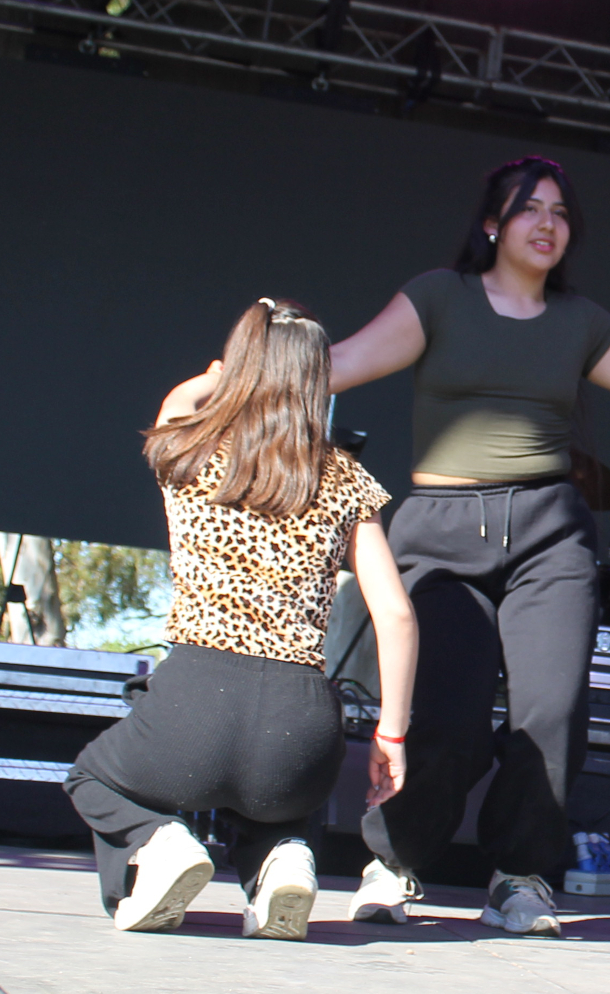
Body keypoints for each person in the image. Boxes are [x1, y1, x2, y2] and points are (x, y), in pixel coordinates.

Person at [327, 157, 610, 936]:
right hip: (441, 531)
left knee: (552, 713)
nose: (547, 224)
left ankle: (520, 874)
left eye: (560, 212)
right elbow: (341, 362)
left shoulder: (579, 321)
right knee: (449, 718)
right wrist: (241, 373)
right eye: (529, 209)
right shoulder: (438, 297)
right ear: (492, 224)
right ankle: (396, 860)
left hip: (549, 530)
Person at [63, 298, 418, 941]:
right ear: (319, 380)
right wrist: (390, 735)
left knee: (93, 775)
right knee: (276, 805)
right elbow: (395, 614)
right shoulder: (346, 480)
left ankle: (159, 844)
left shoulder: (188, 447)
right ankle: (283, 858)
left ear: (243, 367)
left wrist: (222, 373)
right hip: (301, 725)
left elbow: (180, 398)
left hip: (192, 703)